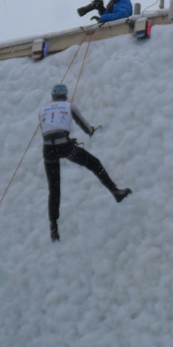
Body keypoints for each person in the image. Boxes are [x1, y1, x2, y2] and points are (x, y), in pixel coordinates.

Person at [39, 84, 131, 242]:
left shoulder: (43, 110)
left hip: (48, 149)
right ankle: (115, 192)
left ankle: (53, 227)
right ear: (65, 95)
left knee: (54, 188)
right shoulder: (69, 106)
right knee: (94, 164)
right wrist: (90, 131)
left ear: (53, 97)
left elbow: (49, 130)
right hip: (65, 146)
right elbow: (84, 125)